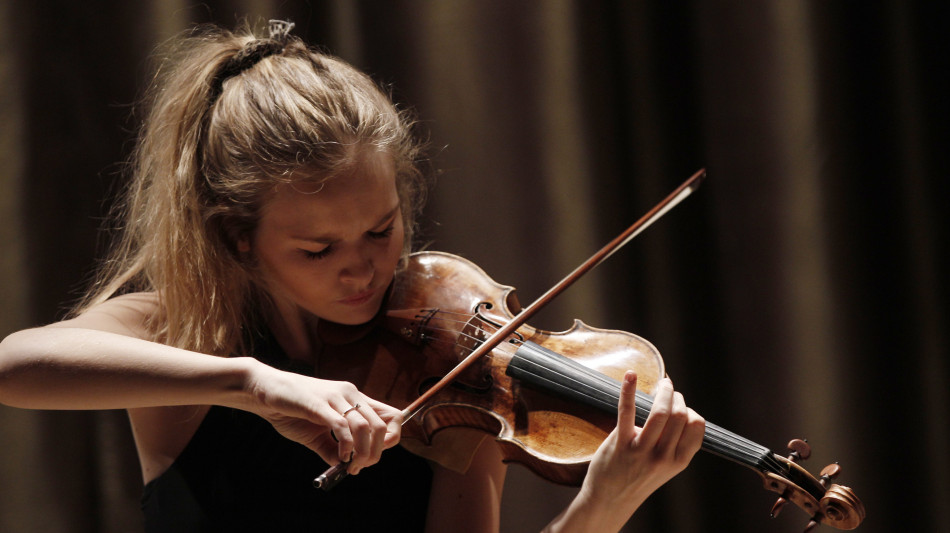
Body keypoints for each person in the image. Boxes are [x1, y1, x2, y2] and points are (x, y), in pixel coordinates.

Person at [0, 20, 705, 532]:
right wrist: (252, 384)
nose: (364, 265)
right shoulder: (186, 332)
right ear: (237, 238)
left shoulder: (455, 370)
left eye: (381, 228)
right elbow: (15, 366)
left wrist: (601, 506)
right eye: (318, 249)